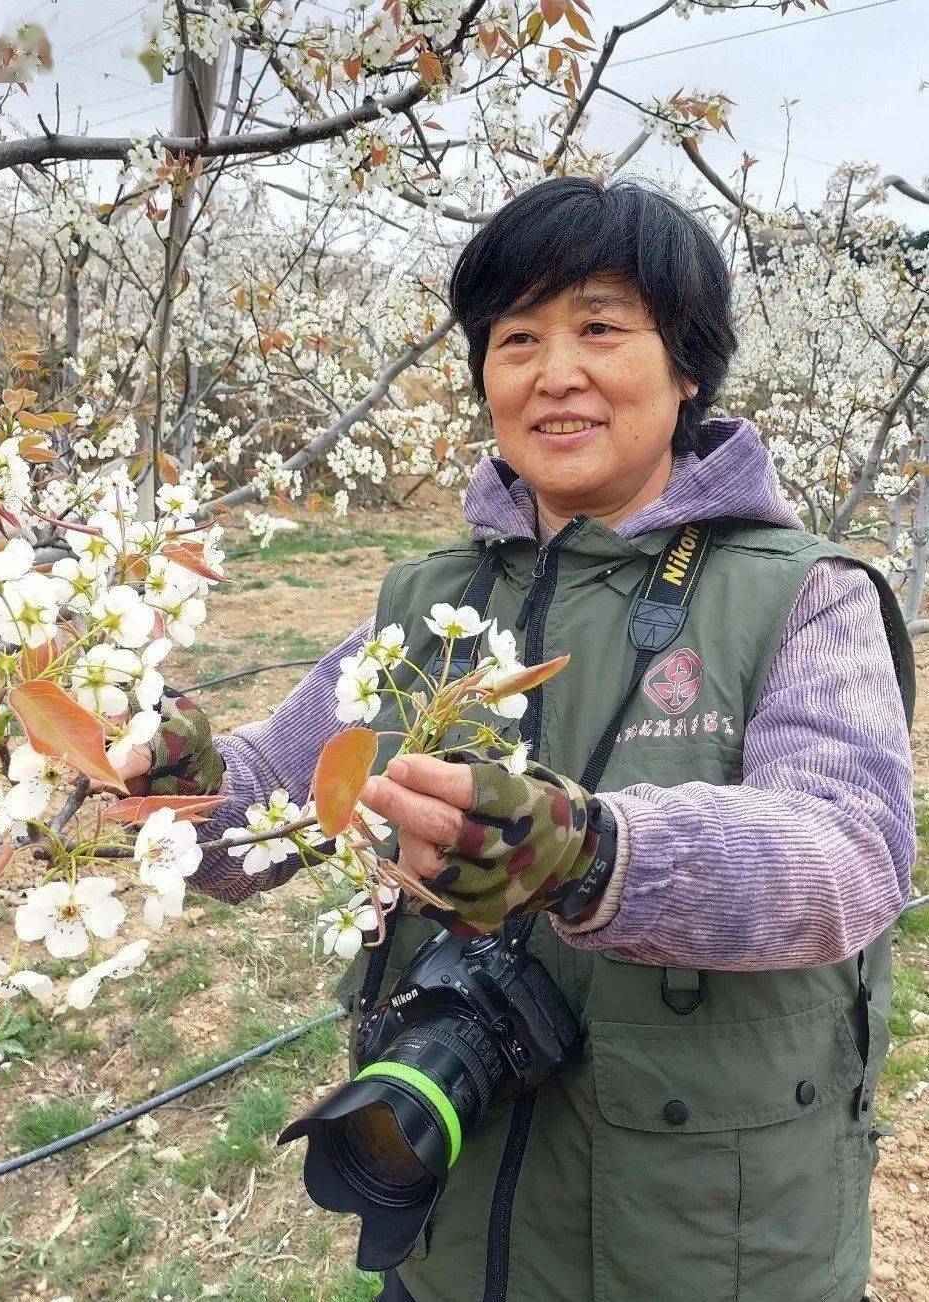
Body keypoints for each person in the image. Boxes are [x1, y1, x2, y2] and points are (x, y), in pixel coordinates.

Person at [119, 177, 916, 1302]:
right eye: (516, 338)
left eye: (599, 327)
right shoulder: (427, 606)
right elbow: (266, 810)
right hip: (446, 1236)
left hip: (702, 1249)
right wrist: (175, 783)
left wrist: (593, 854)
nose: (554, 373)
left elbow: (850, 852)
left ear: (687, 366)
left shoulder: (801, 596)